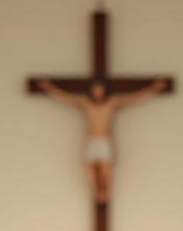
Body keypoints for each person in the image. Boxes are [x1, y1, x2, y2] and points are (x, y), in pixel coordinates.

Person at [37, 77, 169, 204]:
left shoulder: (111, 103)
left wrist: (153, 88)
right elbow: (67, 98)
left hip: (104, 141)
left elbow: (133, 98)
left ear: (104, 90)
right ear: (91, 91)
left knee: (105, 169)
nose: (97, 92)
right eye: (95, 89)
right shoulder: (86, 103)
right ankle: (97, 191)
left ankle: (105, 191)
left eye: (100, 89)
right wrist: (49, 88)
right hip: (92, 141)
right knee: (91, 169)